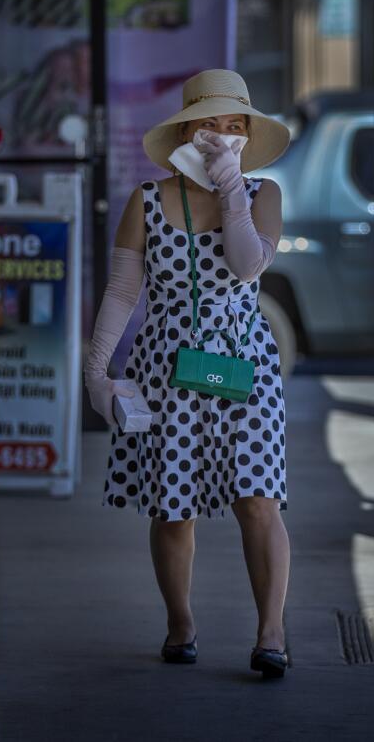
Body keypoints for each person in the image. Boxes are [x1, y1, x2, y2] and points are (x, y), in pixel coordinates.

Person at [83, 69, 292, 677]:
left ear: (247, 135)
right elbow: (123, 291)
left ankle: (272, 631)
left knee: (258, 499)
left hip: (245, 359)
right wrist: (98, 372)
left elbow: (248, 266)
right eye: (209, 124)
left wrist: (230, 188)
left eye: (234, 126)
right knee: (173, 506)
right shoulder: (146, 200)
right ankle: (180, 622)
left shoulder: (264, 194)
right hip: (166, 363)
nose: (222, 135)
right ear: (185, 130)